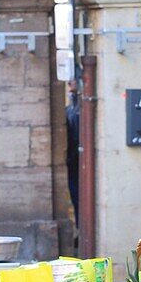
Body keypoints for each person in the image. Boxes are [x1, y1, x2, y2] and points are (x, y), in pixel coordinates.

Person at [66, 78, 80, 227]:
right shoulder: (70, 108)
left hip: (77, 160)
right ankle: (79, 226)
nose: (70, 84)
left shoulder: (76, 108)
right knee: (75, 197)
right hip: (73, 161)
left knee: (78, 196)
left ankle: (80, 226)